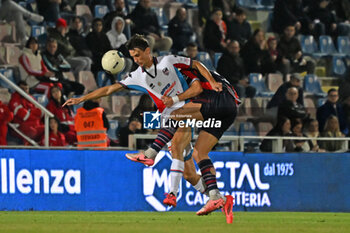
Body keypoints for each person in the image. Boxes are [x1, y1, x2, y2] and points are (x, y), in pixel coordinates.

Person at [63, 34, 234, 222]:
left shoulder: (168, 61)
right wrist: (82, 98)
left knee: (177, 144)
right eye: (132, 57)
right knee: (189, 174)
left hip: (187, 110)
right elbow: (110, 89)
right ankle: (220, 199)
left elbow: (195, 66)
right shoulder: (137, 76)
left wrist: (207, 84)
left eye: (138, 55)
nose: (136, 60)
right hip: (169, 118)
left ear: (147, 51)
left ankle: (166, 184)